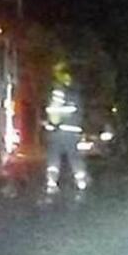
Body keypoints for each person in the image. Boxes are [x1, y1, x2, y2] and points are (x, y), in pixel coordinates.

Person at [43, 66, 88, 197]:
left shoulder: (56, 94)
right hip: (70, 134)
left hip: (56, 134)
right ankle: (81, 183)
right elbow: (77, 113)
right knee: (74, 158)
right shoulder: (75, 96)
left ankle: (51, 184)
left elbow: (51, 112)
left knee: (54, 158)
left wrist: (50, 126)